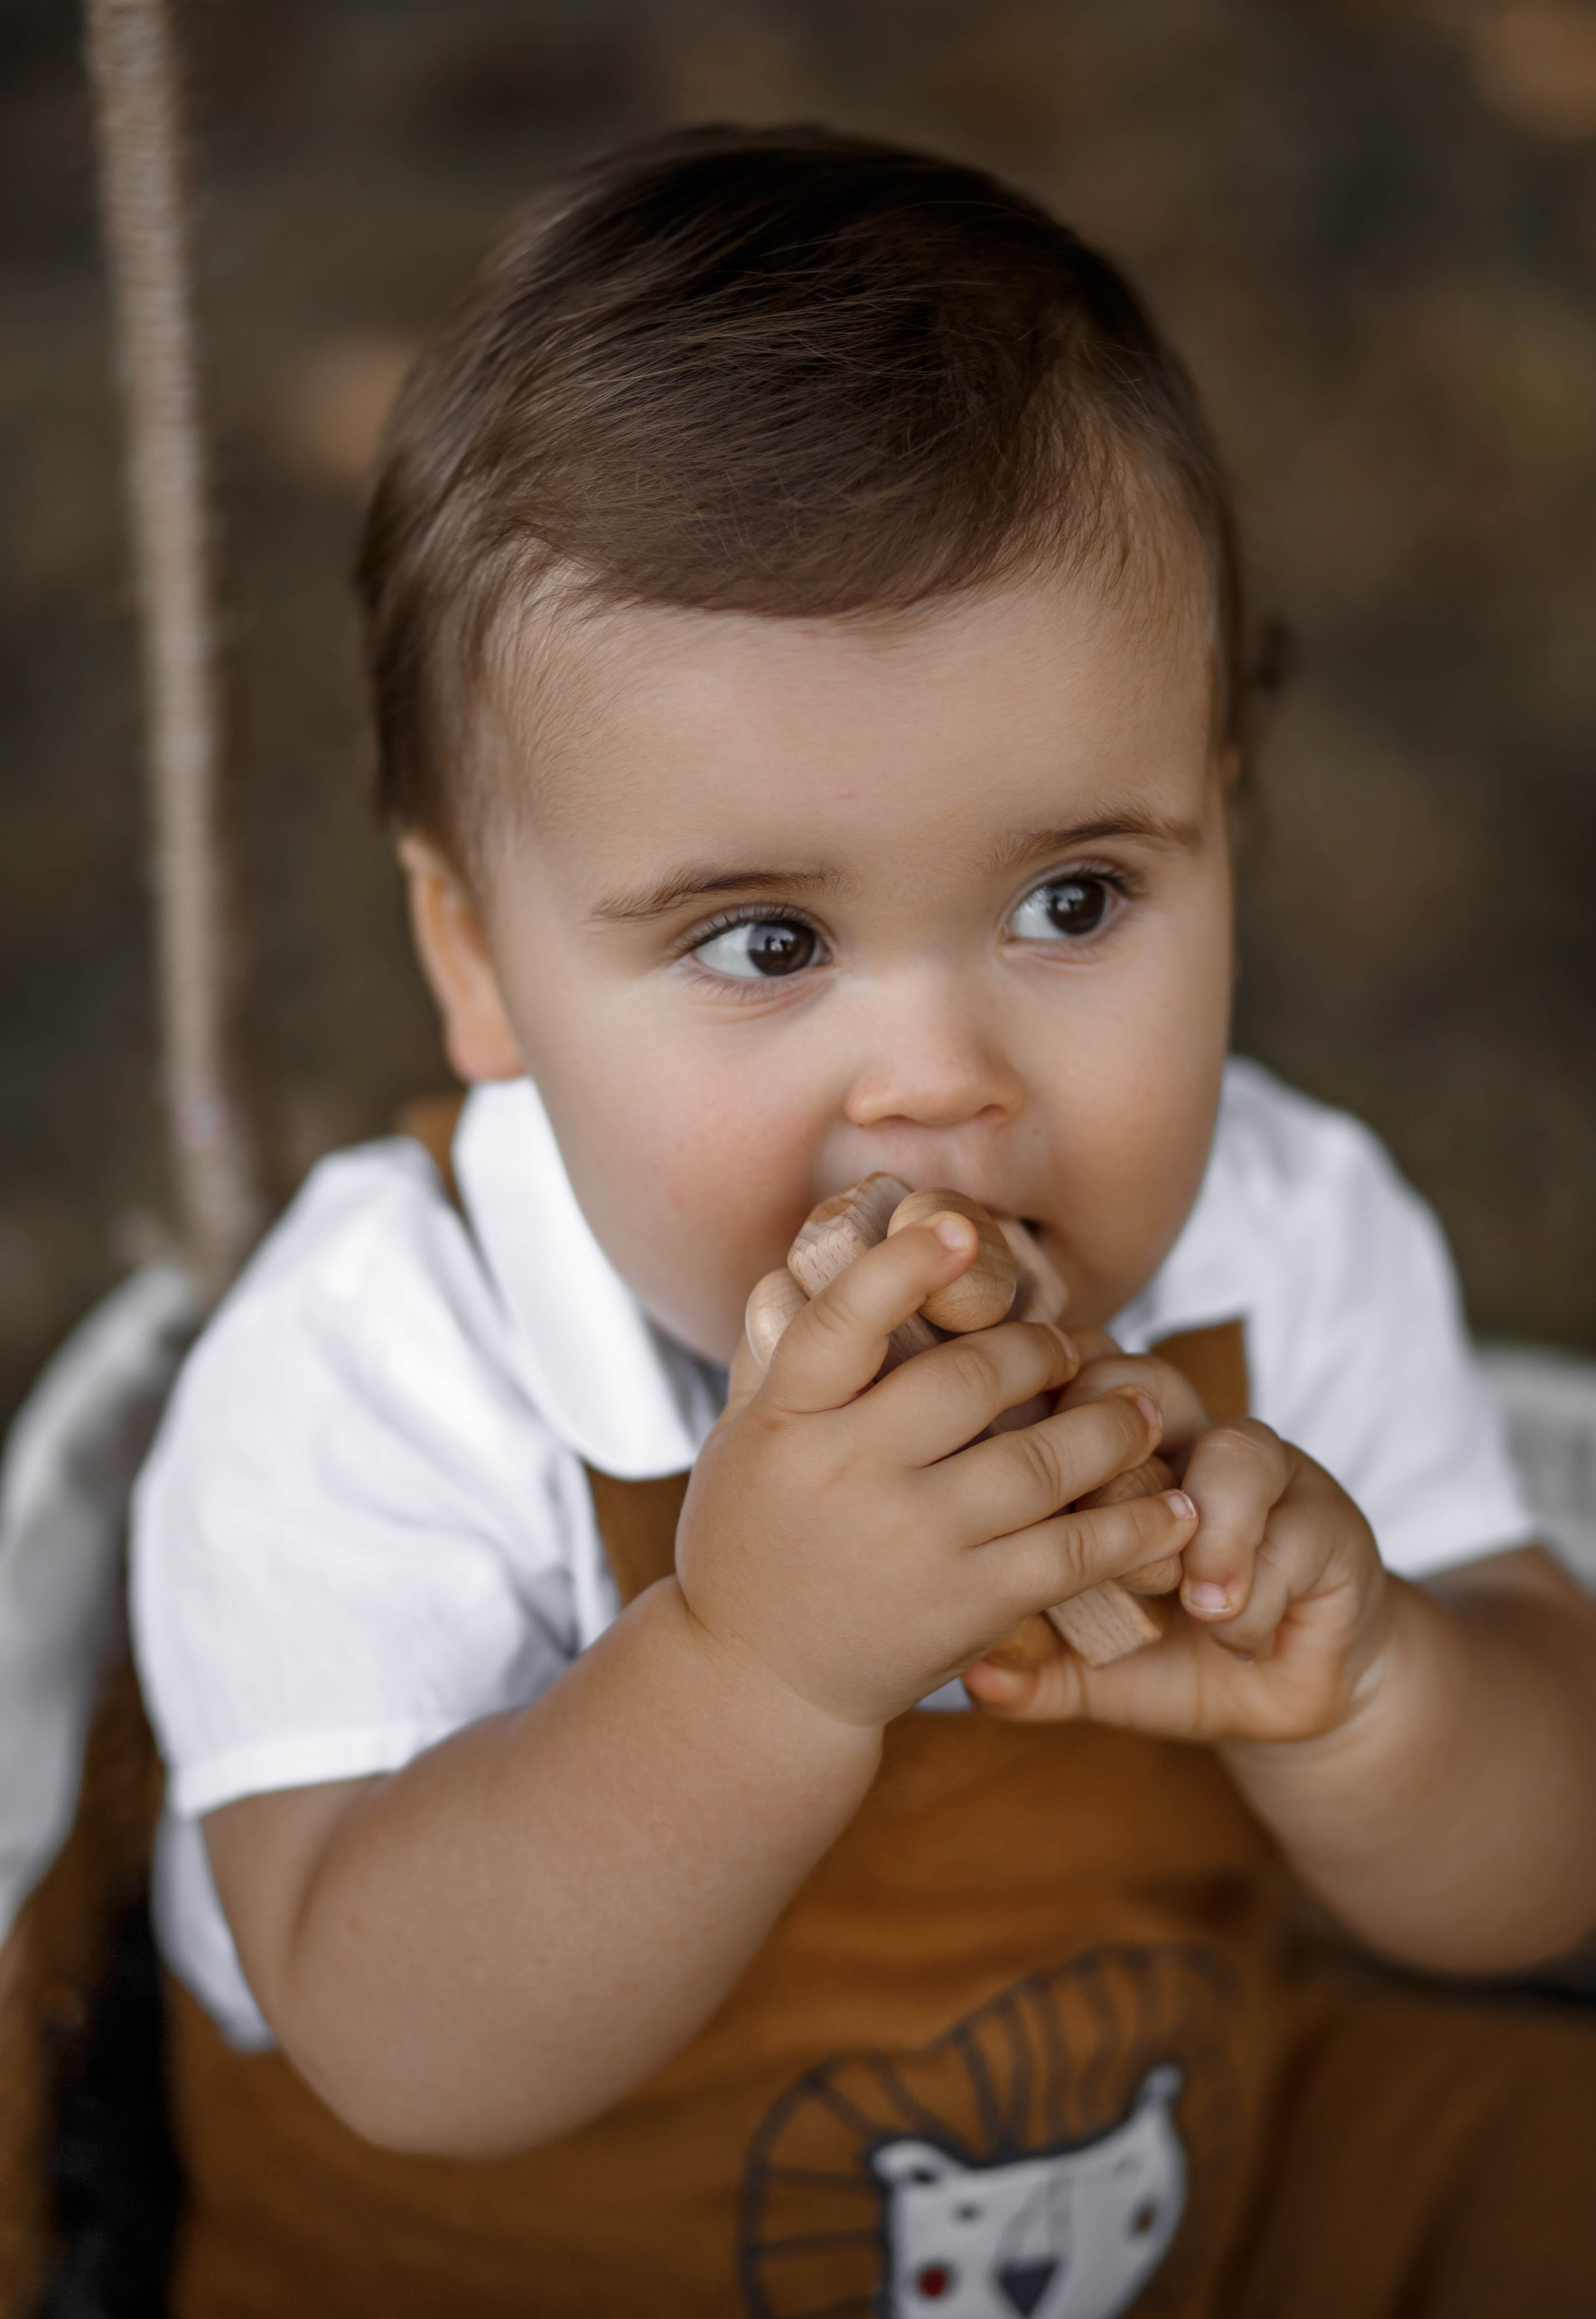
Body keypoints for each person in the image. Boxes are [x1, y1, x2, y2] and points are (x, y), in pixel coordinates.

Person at [131, 125, 1596, 2318]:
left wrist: (1380, 1693)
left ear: (1230, 838)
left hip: (1202, 2177)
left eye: (1072, 899)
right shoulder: (385, 1366)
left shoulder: (1283, 1248)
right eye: (761, 942)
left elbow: (1534, 1870)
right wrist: (753, 1672)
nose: (940, 1078)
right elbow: (390, 2036)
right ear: (475, 960)